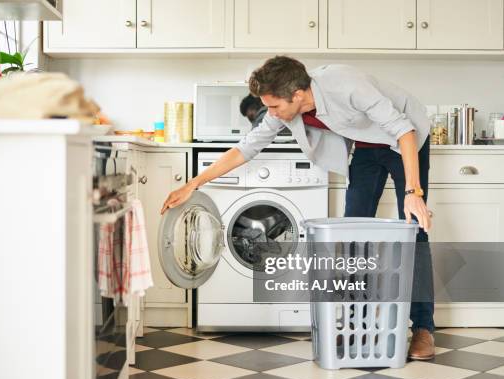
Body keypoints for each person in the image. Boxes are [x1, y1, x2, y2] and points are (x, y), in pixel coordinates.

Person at [161, 56, 435, 360]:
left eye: (275, 106)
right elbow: (246, 148)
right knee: (352, 237)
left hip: (406, 137)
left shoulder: (346, 84)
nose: (272, 113)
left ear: (298, 95)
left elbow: (403, 130)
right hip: (368, 146)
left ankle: (423, 327)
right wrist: (193, 184)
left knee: (414, 229)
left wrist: (414, 192)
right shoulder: (287, 107)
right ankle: (360, 323)